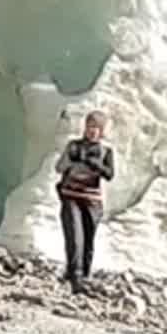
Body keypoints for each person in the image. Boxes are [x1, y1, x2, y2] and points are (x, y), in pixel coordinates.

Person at [54, 111, 115, 289]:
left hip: (92, 201)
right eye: (89, 127)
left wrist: (96, 165)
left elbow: (110, 175)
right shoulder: (73, 146)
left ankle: (84, 274)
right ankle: (75, 276)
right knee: (74, 236)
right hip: (71, 196)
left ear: (102, 131)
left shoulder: (105, 151)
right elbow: (59, 167)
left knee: (88, 240)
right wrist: (73, 161)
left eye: (96, 128)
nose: (92, 131)